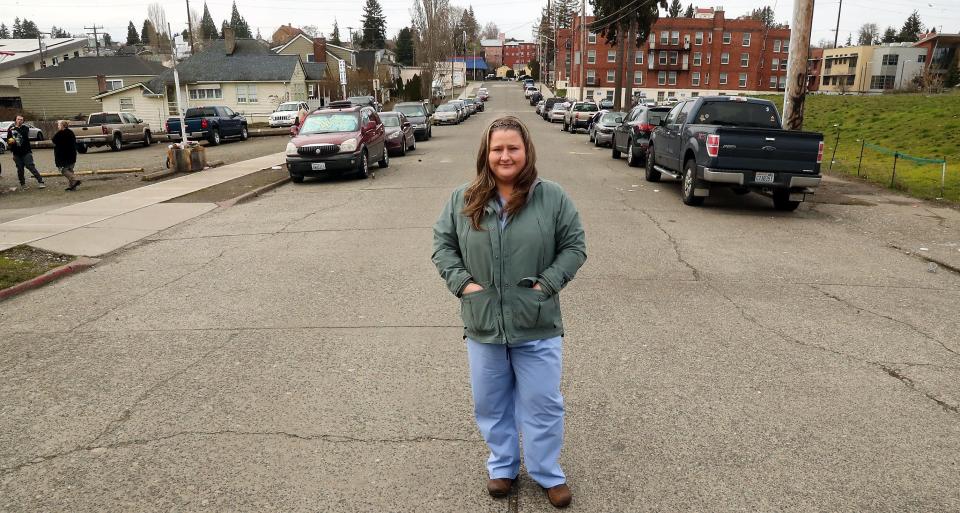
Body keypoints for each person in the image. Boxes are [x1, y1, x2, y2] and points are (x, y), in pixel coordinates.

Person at [432, 116, 587, 508]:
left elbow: (574, 247)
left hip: (536, 323)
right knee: (491, 402)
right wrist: (464, 285)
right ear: (486, 153)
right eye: (497, 148)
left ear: (526, 151)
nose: (505, 156)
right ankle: (502, 466)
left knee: (542, 402)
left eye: (512, 148)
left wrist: (545, 286)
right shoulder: (464, 199)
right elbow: (443, 246)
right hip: (483, 323)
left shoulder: (551, 197)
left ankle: (546, 472)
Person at [8, 115, 45, 190]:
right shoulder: (10, 130)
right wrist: (11, 142)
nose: (19, 121)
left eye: (21, 120)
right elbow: (9, 139)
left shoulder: (25, 128)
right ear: (15, 120)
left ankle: (40, 181)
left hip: (26, 152)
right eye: (18, 119)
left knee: (30, 166)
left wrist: (15, 129)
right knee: (20, 169)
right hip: (16, 153)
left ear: (23, 121)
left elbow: (23, 135)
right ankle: (23, 184)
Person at [51, 120, 81, 191]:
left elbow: (53, 140)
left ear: (62, 126)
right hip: (72, 155)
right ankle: (73, 187)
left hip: (63, 156)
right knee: (70, 170)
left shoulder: (60, 133)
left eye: (58, 125)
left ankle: (74, 180)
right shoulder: (71, 132)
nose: (58, 126)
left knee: (63, 170)